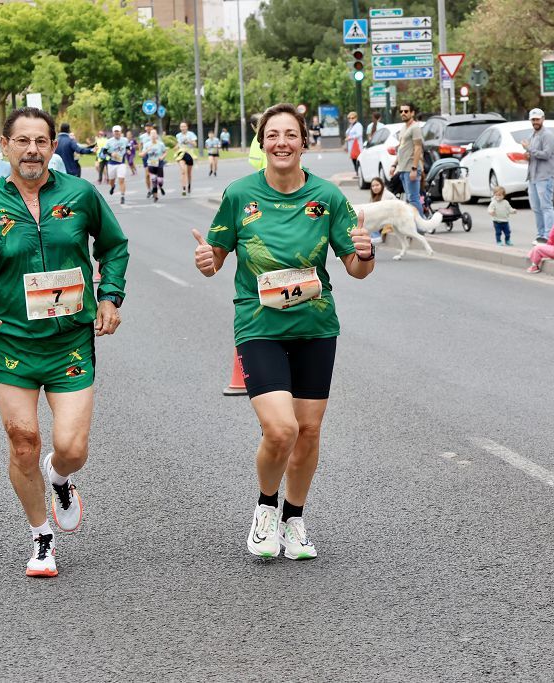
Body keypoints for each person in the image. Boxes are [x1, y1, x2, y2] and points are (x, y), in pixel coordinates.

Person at [0, 106, 129, 578]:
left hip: (69, 340)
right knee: (23, 441)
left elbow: (113, 245)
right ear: (5, 145)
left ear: (52, 145)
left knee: (72, 446)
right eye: (22, 141)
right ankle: (40, 536)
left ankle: (61, 477)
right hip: (11, 343)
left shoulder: (81, 194)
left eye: (41, 141)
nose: (32, 150)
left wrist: (109, 296)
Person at [191, 103, 374, 561]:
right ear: (261, 142)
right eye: (272, 135)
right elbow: (215, 260)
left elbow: (356, 270)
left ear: (304, 141)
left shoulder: (328, 198)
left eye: (290, 135)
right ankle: (266, 508)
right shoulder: (239, 195)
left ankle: (294, 518)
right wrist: (207, 261)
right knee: (280, 429)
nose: (281, 143)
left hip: (315, 325)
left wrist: (366, 253)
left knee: (308, 431)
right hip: (259, 325)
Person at [522, 108, 554, 244]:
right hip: (533, 176)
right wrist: (527, 155)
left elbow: (546, 154)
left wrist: (529, 149)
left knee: (546, 206)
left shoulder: (547, 135)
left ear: (543, 119)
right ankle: (540, 234)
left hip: (545, 176)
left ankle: (549, 236)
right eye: (533, 120)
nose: (535, 122)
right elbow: (534, 155)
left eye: (537, 119)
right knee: (536, 207)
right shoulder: (533, 135)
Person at [389, 102, 425, 217]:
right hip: (403, 169)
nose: (403, 113)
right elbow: (401, 148)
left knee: (413, 199)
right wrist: (394, 165)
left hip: (411, 168)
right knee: (409, 199)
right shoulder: (404, 127)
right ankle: (415, 224)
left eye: (406, 111)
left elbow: (418, 148)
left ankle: (420, 226)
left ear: (412, 113)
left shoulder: (415, 128)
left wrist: (414, 168)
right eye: (401, 111)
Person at [104, 125, 129, 204]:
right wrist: (111, 154)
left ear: (120, 132)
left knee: (121, 179)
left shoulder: (125, 140)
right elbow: (104, 151)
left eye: (118, 131)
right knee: (111, 180)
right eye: (115, 131)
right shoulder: (109, 141)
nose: (117, 133)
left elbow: (128, 147)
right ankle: (112, 186)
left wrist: (128, 151)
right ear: (113, 133)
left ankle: (122, 196)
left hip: (121, 163)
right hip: (112, 163)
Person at [142, 127, 167, 202]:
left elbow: (165, 152)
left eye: (154, 134)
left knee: (160, 180)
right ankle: (155, 196)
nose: (153, 135)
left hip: (159, 164)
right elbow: (142, 154)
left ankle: (161, 187)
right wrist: (147, 150)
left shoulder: (161, 144)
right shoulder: (147, 145)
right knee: (153, 180)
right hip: (151, 164)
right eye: (151, 134)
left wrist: (162, 157)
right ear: (150, 136)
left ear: (156, 135)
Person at [175, 121, 197, 196]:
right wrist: (175, 147)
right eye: (182, 127)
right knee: (183, 171)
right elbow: (178, 144)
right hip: (181, 154)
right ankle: (183, 188)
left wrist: (189, 141)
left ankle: (189, 185)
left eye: (184, 126)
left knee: (189, 173)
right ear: (180, 128)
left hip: (189, 154)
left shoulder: (191, 134)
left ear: (187, 127)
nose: (183, 128)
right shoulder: (178, 135)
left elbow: (195, 144)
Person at [344, 111, 363, 176]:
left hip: (357, 146)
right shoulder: (351, 126)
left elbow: (359, 134)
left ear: (356, 118)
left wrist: (350, 138)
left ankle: (359, 172)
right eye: (349, 118)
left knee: (357, 160)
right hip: (351, 146)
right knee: (353, 159)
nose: (351, 119)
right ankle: (357, 172)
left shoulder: (358, 125)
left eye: (352, 118)